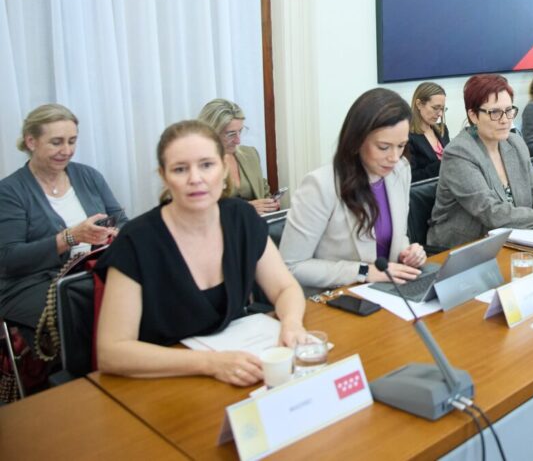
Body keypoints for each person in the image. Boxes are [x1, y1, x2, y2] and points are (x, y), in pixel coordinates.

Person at [95, 120, 307, 386]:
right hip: (166, 378)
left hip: (240, 367)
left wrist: (291, 323)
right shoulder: (136, 241)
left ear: (223, 167)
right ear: (164, 176)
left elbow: (285, 288)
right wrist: (210, 363)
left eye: (207, 165)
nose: (195, 179)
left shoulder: (241, 218)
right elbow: (112, 352)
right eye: (180, 169)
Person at [280, 89, 426, 288]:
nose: (394, 157)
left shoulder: (400, 170)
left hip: (388, 291)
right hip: (338, 299)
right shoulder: (321, 185)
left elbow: (396, 235)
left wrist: (407, 252)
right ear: (357, 141)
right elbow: (291, 266)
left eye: (401, 146)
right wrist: (364, 272)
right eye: (383, 147)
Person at [0, 104, 125, 336]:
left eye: (72, 141)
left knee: (138, 292)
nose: (67, 150)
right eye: (57, 142)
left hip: (90, 272)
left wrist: (117, 234)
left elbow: (122, 222)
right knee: (92, 307)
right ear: (31, 142)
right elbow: (9, 259)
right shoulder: (9, 191)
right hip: (29, 285)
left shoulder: (88, 176)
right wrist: (70, 237)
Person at [427, 74, 533, 251]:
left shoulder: (515, 142)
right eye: (495, 112)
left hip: (512, 239)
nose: (505, 119)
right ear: (473, 115)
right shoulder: (459, 153)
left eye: (509, 110)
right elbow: (492, 213)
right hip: (463, 249)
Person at [198, 99, 279, 215]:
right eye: (230, 134)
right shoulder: (196, 165)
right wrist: (244, 209)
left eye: (240, 132)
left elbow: (264, 192)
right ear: (209, 132)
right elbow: (195, 211)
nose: (238, 140)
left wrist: (270, 204)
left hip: (256, 227)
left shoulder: (250, 154)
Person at [407, 82, 450, 181]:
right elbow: (411, 178)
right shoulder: (408, 137)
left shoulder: (442, 130)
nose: (440, 114)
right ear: (419, 104)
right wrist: (442, 164)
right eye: (435, 108)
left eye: (443, 109)